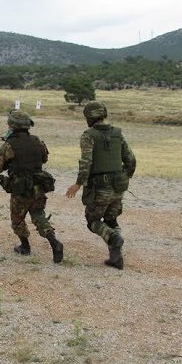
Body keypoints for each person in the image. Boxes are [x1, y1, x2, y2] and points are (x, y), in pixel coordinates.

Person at [65, 101, 136, 270]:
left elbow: (86, 161)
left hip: (100, 188)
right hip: (119, 187)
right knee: (111, 219)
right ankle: (116, 258)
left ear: (89, 117)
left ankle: (113, 238)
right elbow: (131, 160)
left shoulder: (88, 135)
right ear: (104, 114)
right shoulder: (118, 134)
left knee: (93, 221)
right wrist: (125, 177)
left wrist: (78, 183)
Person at [0, 110, 63, 263]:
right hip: (39, 186)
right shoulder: (37, 141)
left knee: (17, 219)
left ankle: (25, 246)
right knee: (38, 215)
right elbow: (44, 159)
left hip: (21, 189)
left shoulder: (9, 145)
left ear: (12, 125)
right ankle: (54, 242)